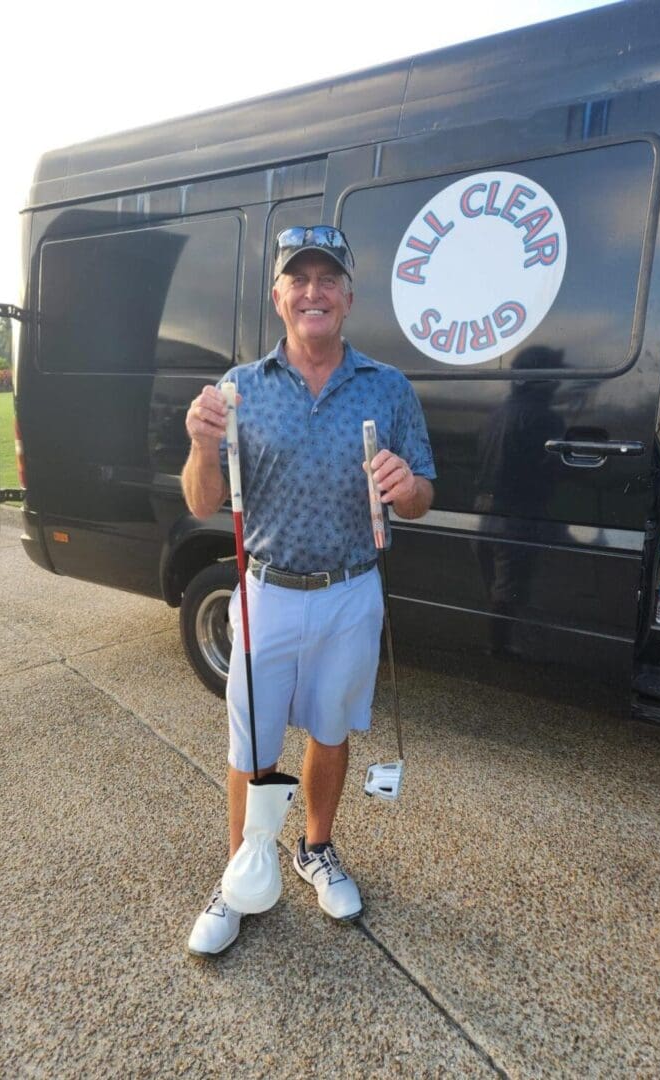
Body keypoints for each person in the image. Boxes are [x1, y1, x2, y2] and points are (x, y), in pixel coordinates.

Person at [182, 225, 436, 956]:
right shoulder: (238, 389)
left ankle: (313, 848)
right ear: (278, 296)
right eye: (299, 278)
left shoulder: (389, 387)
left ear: (348, 298)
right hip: (267, 591)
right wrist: (202, 445)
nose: (312, 291)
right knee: (254, 745)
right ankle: (241, 872)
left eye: (327, 279)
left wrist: (406, 486)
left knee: (330, 731)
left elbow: (421, 494)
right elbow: (202, 499)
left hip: (352, 592)